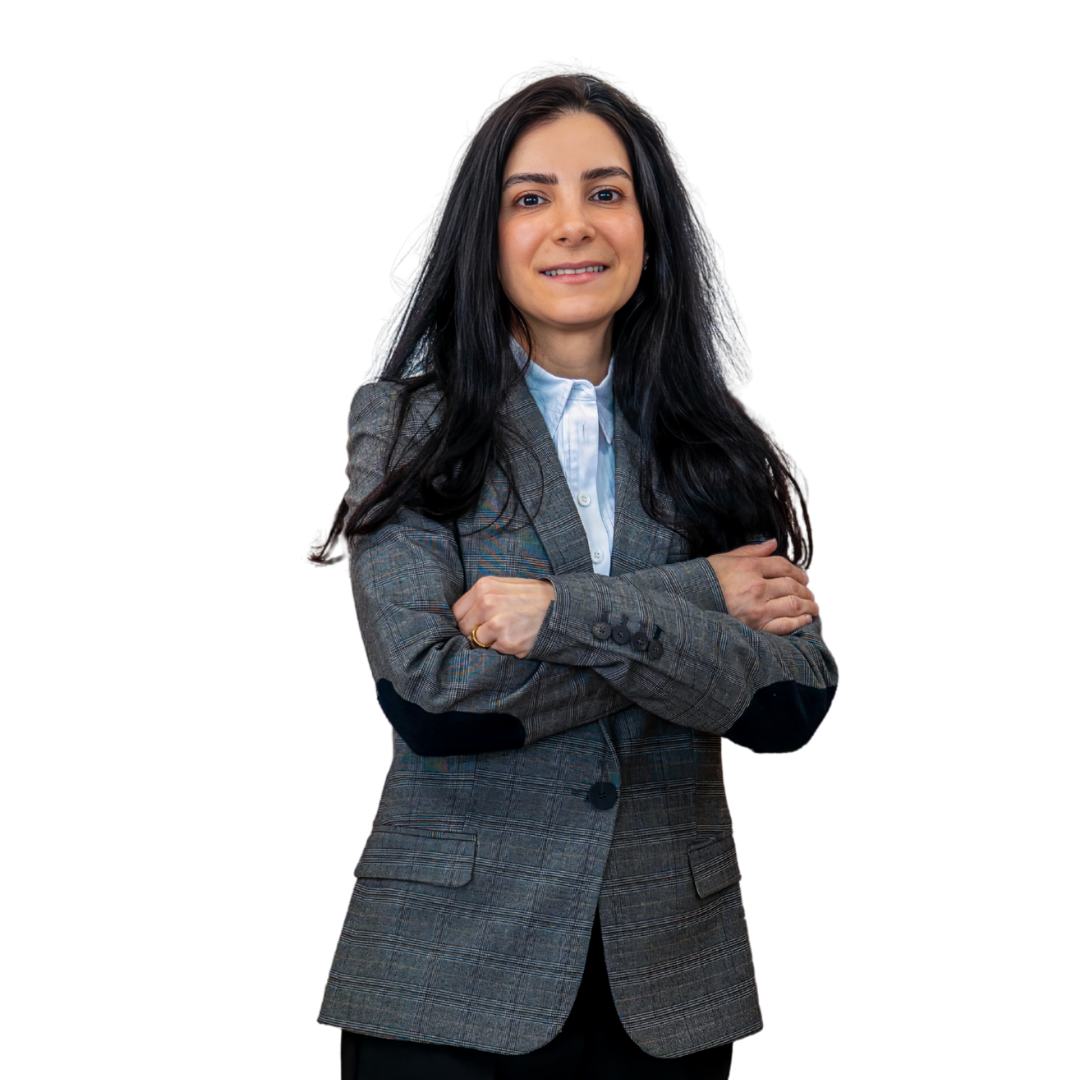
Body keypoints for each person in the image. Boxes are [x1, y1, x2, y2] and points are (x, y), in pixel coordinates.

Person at [304, 56, 839, 1080]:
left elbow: (791, 700)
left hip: (671, 992)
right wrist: (701, 600)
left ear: (653, 223)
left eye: (605, 193)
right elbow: (433, 695)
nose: (573, 226)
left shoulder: (721, 437)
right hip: (441, 986)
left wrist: (552, 617)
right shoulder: (411, 424)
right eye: (531, 198)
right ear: (485, 231)